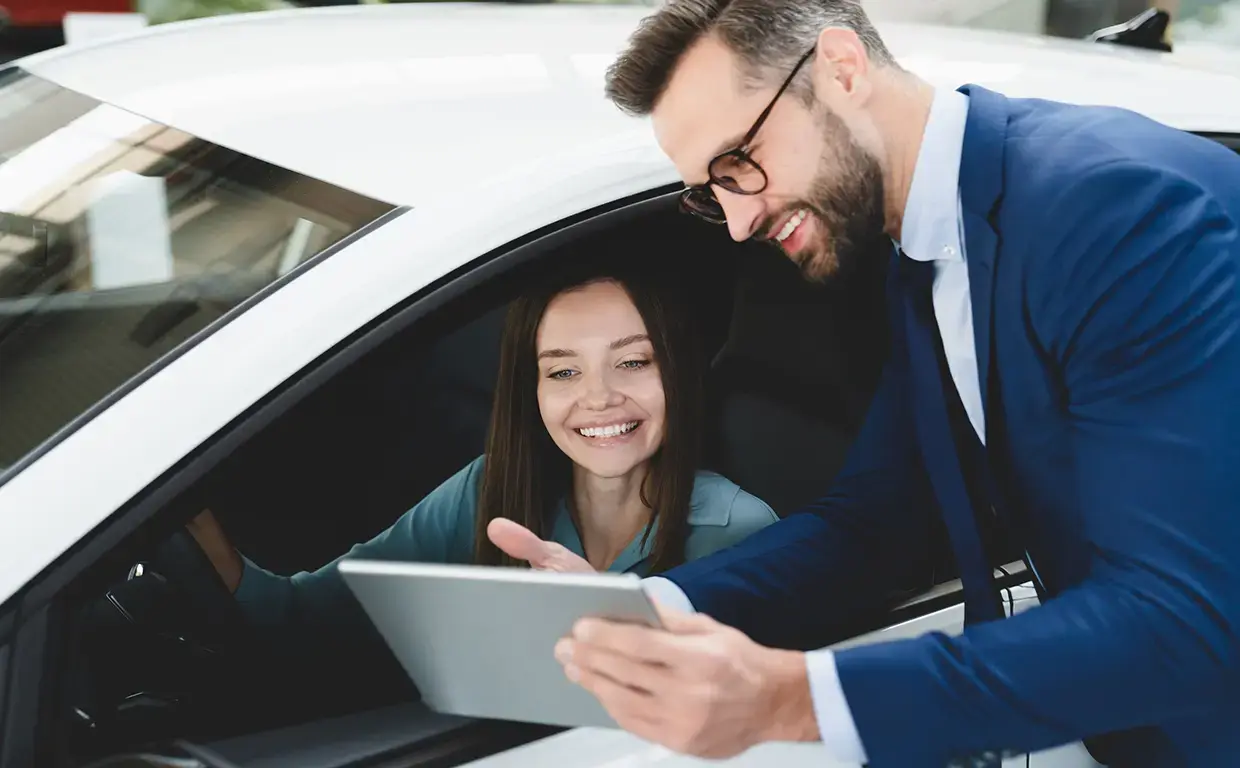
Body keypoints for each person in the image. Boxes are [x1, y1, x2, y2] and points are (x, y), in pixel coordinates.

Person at [488, 1, 1240, 766]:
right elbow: (882, 519)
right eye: (710, 193)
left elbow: (1186, 619)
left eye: (739, 164)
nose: (739, 221)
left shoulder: (1118, 212)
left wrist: (788, 700)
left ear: (842, 70)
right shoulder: (924, 246)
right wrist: (637, 613)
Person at [187, 266, 777, 641]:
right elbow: (307, 617)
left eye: (633, 362)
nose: (598, 397)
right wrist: (190, 520)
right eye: (563, 371)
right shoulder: (488, 491)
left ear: (678, 372)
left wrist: (615, 615)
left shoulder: (741, 532)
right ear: (533, 390)